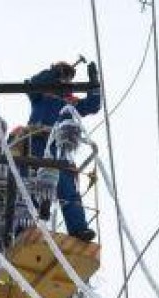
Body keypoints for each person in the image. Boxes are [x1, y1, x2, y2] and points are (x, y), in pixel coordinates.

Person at [26, 60, 100, 242]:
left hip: (61, 147)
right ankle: (27, 225)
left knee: (67, 188)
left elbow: (94, 104)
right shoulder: (42, 94)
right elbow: (30, 84)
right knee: (33, 184)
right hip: (37, 142)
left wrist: (94, 81)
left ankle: (78, 229)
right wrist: (53, 73)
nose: (67, 79)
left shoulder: (71, 102)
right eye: (64, 75)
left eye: (69, 76)